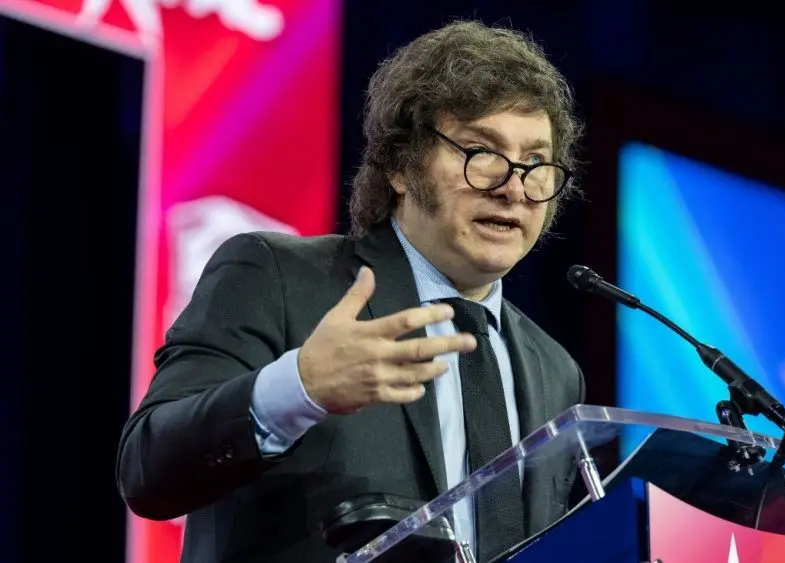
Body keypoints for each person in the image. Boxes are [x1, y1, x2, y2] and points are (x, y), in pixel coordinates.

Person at [116, 19, 586, 563]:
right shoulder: (276, 276)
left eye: (535, 163)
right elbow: (147, 468)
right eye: (481, 150)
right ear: (400, 166)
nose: (513, 186)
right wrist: (298, 388)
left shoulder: (557, 372)